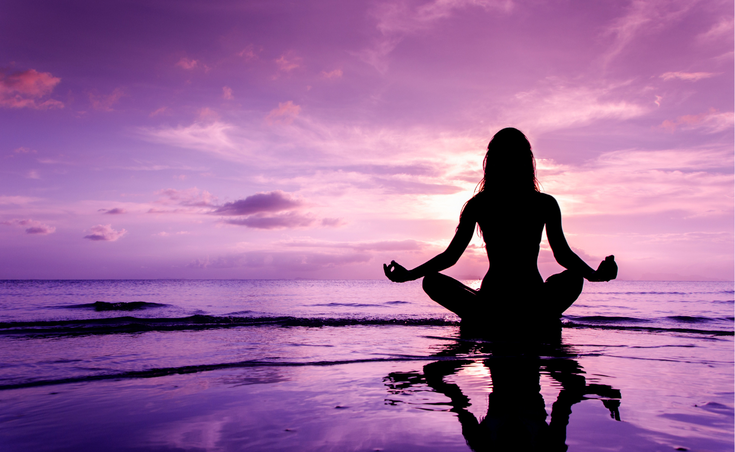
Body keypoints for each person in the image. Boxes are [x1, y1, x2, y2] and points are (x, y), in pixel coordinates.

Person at [383, 127, 617, 322]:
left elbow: (451, 257)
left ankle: (483, 312)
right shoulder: (542, 203)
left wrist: (411, 275)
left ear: (491, 162)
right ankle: (532, 317)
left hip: (491, 302)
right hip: (532, 301)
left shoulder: (481, 204)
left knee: (431, 280)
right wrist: (594, 275)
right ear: (527, 161)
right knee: (574, 278)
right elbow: (563, 255)